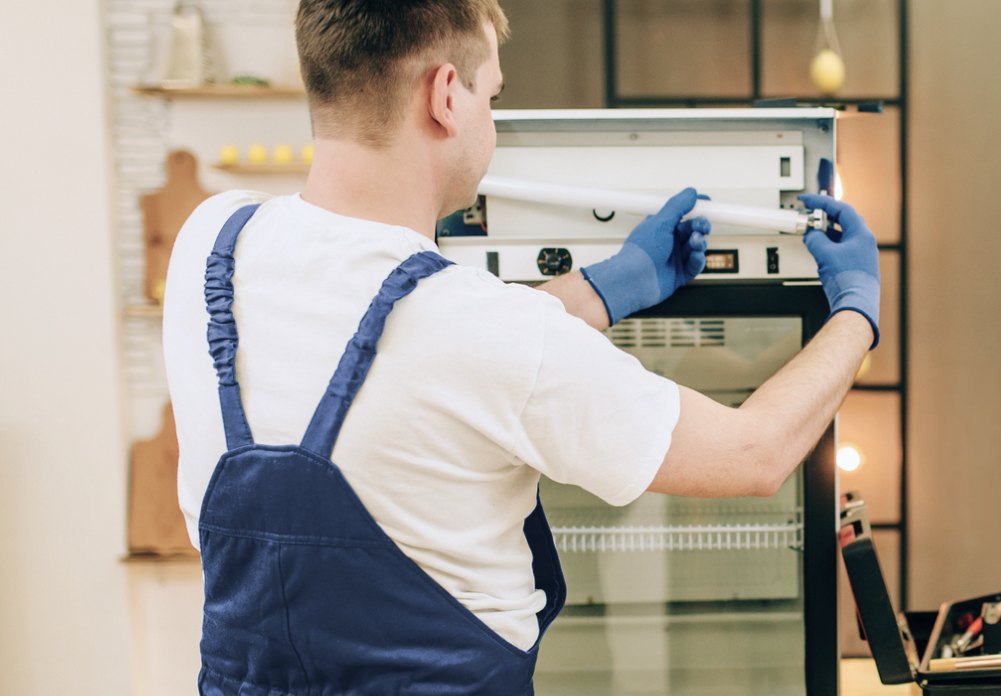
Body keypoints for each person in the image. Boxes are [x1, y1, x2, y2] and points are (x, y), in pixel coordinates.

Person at [162, 1, 880, 693]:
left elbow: (413, 349)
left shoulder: (209, 245)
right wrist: (855, 311)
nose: (492, 122)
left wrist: (606, 287)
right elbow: (753, 454)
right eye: (492, 97)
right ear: (446, 96)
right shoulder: (491, 334)